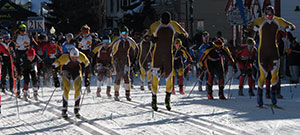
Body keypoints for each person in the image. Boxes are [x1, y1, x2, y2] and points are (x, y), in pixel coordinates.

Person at [250, 5, 296, 107]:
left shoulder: (277, 20)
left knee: (275, 74)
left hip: (274, 52)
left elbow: (291, 25)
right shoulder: (260, 20)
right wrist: (253, 27)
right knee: (263, 75)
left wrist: (289, 28)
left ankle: (274, 95)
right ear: (265, 14)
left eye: (271, 14)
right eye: (267, 14)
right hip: (263, 53)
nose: (269, 16)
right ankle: (259, 96)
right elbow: (249, 25)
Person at [148, 11, 189, 111]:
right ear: (161, 19)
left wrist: (183, 35)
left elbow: (184, 32)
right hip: (157, 56)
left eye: (166, 22)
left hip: (168, 55)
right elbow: (147, 34)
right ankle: (154, 99)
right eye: (163, 22)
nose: (165, 24)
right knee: (155, 77)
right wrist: (152, 39)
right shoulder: (155, 25)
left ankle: (167, 99)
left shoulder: (173, 24)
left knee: (169, 76)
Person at [52, 48, 90, 119]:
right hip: (65, 70)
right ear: (70, 56)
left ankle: (76, 109)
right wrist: (56, 80)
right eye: (73, 57)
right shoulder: (64, 58)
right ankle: (64, 109)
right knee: (67, 87)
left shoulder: (82, 56)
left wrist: (87, 78)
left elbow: (88, 64)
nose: (74, 59)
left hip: (76, 70)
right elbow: (53, 66)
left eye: (76, 57)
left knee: (77, 87)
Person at [110, 26, 138, 101]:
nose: (124, 34)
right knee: (118, 76)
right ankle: (116, 93)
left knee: (126, 76)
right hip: (117, 60)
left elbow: (136, 48)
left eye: (126, 33)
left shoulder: (130, 40)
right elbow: (111, 50)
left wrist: (134, 59)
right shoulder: (117, 41)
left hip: (126, 60)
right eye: (123, 33)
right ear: (120, 33)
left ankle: (127, 94)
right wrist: (111, 61)